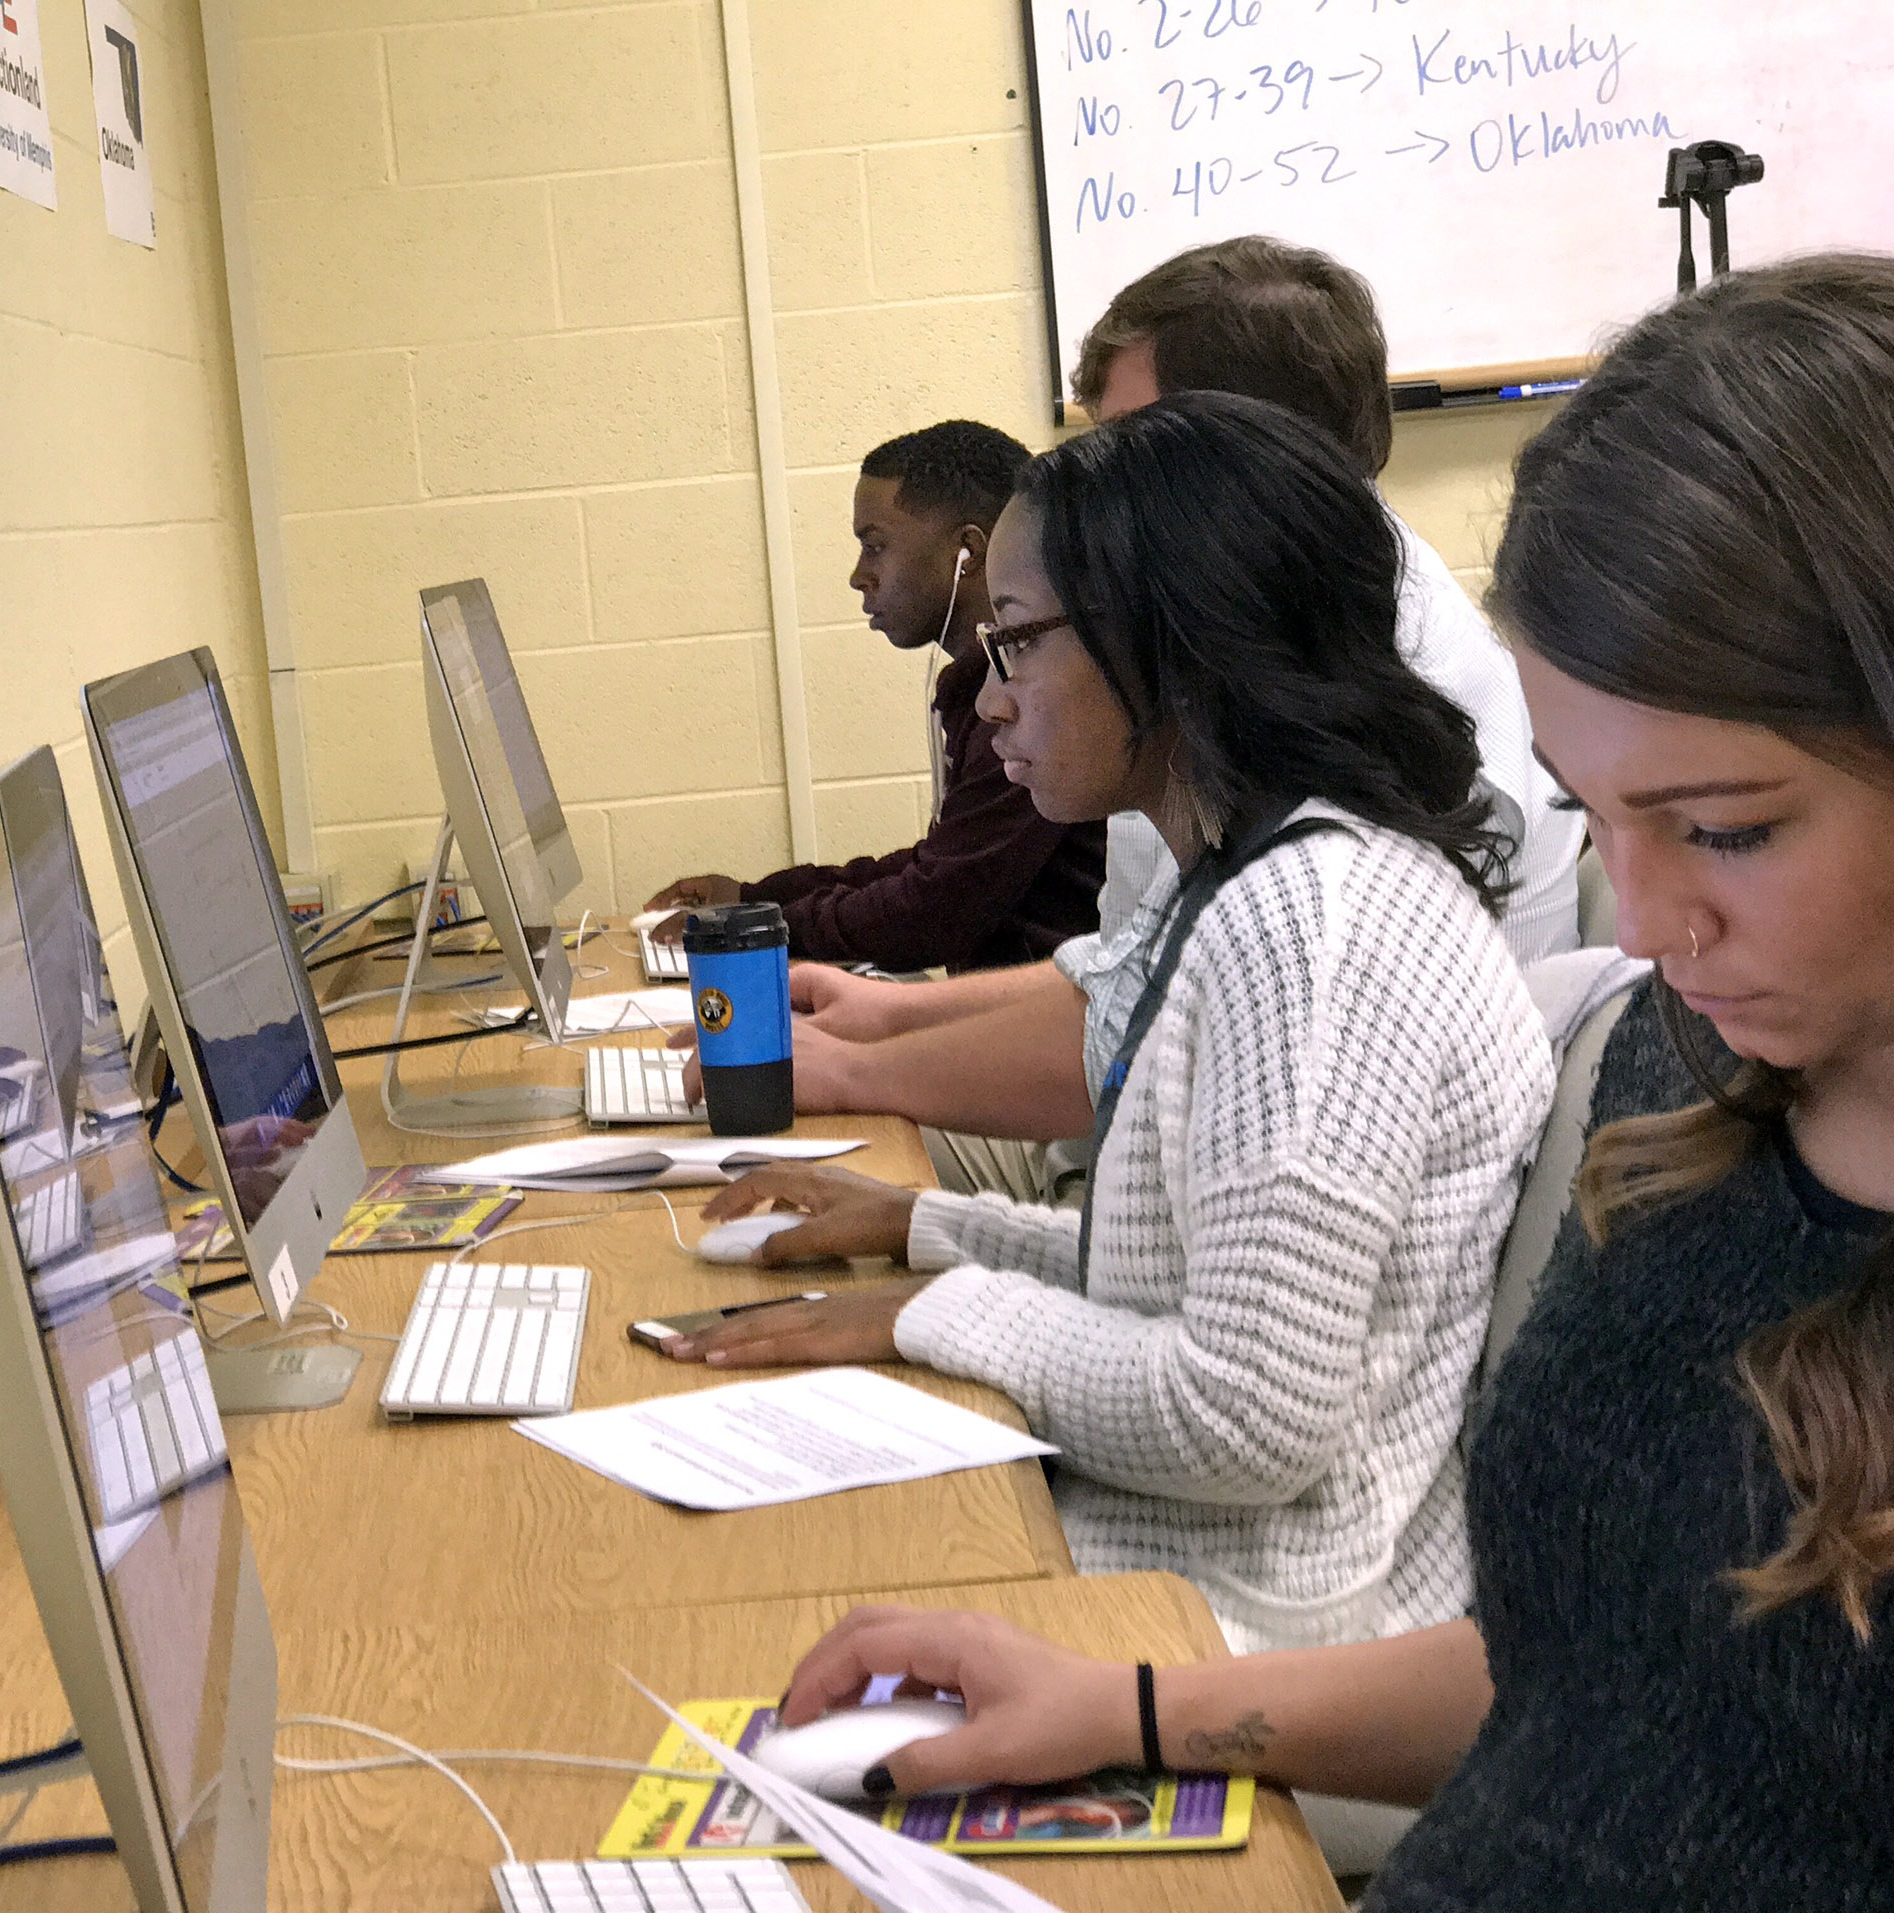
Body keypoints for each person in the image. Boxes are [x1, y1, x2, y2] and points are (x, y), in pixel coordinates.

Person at [760, 255, 1894, 1911]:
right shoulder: (1695, 1073)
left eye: (1724, 827)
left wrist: (928, 1287)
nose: (1644, 920)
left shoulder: (1332, 919)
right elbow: (1589, 1669)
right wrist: (1131, 1707)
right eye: (1600, 812)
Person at [662, 393, 1555, 1662]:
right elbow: (1181, 1283)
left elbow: (1247, 1415)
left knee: (732, 1607)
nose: (990, 701)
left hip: (1251, 1614)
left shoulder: (1313, 927)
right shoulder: (1256, 872)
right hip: (1188, 1558)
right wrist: (932, 1228)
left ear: (1175, 642)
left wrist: (928, 1311)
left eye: (1020, 645)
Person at [703, 239, 1582, 1205]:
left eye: (1130, 449)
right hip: (1142, 1158)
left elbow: (1234, 1319)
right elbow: (1140, 974)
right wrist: (880, 1021)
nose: (1090, 488)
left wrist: (868, 1071)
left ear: (1241, 457)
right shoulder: (1230, 659)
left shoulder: (1364, 704)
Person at [643, 420, 1106, 973]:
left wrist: (764, 925)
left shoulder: (1039, 702)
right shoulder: (981, 691)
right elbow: (935, 869)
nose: (859, 576)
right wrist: (756, 899)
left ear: (967, 550)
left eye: (875, 546)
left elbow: (933, 910)